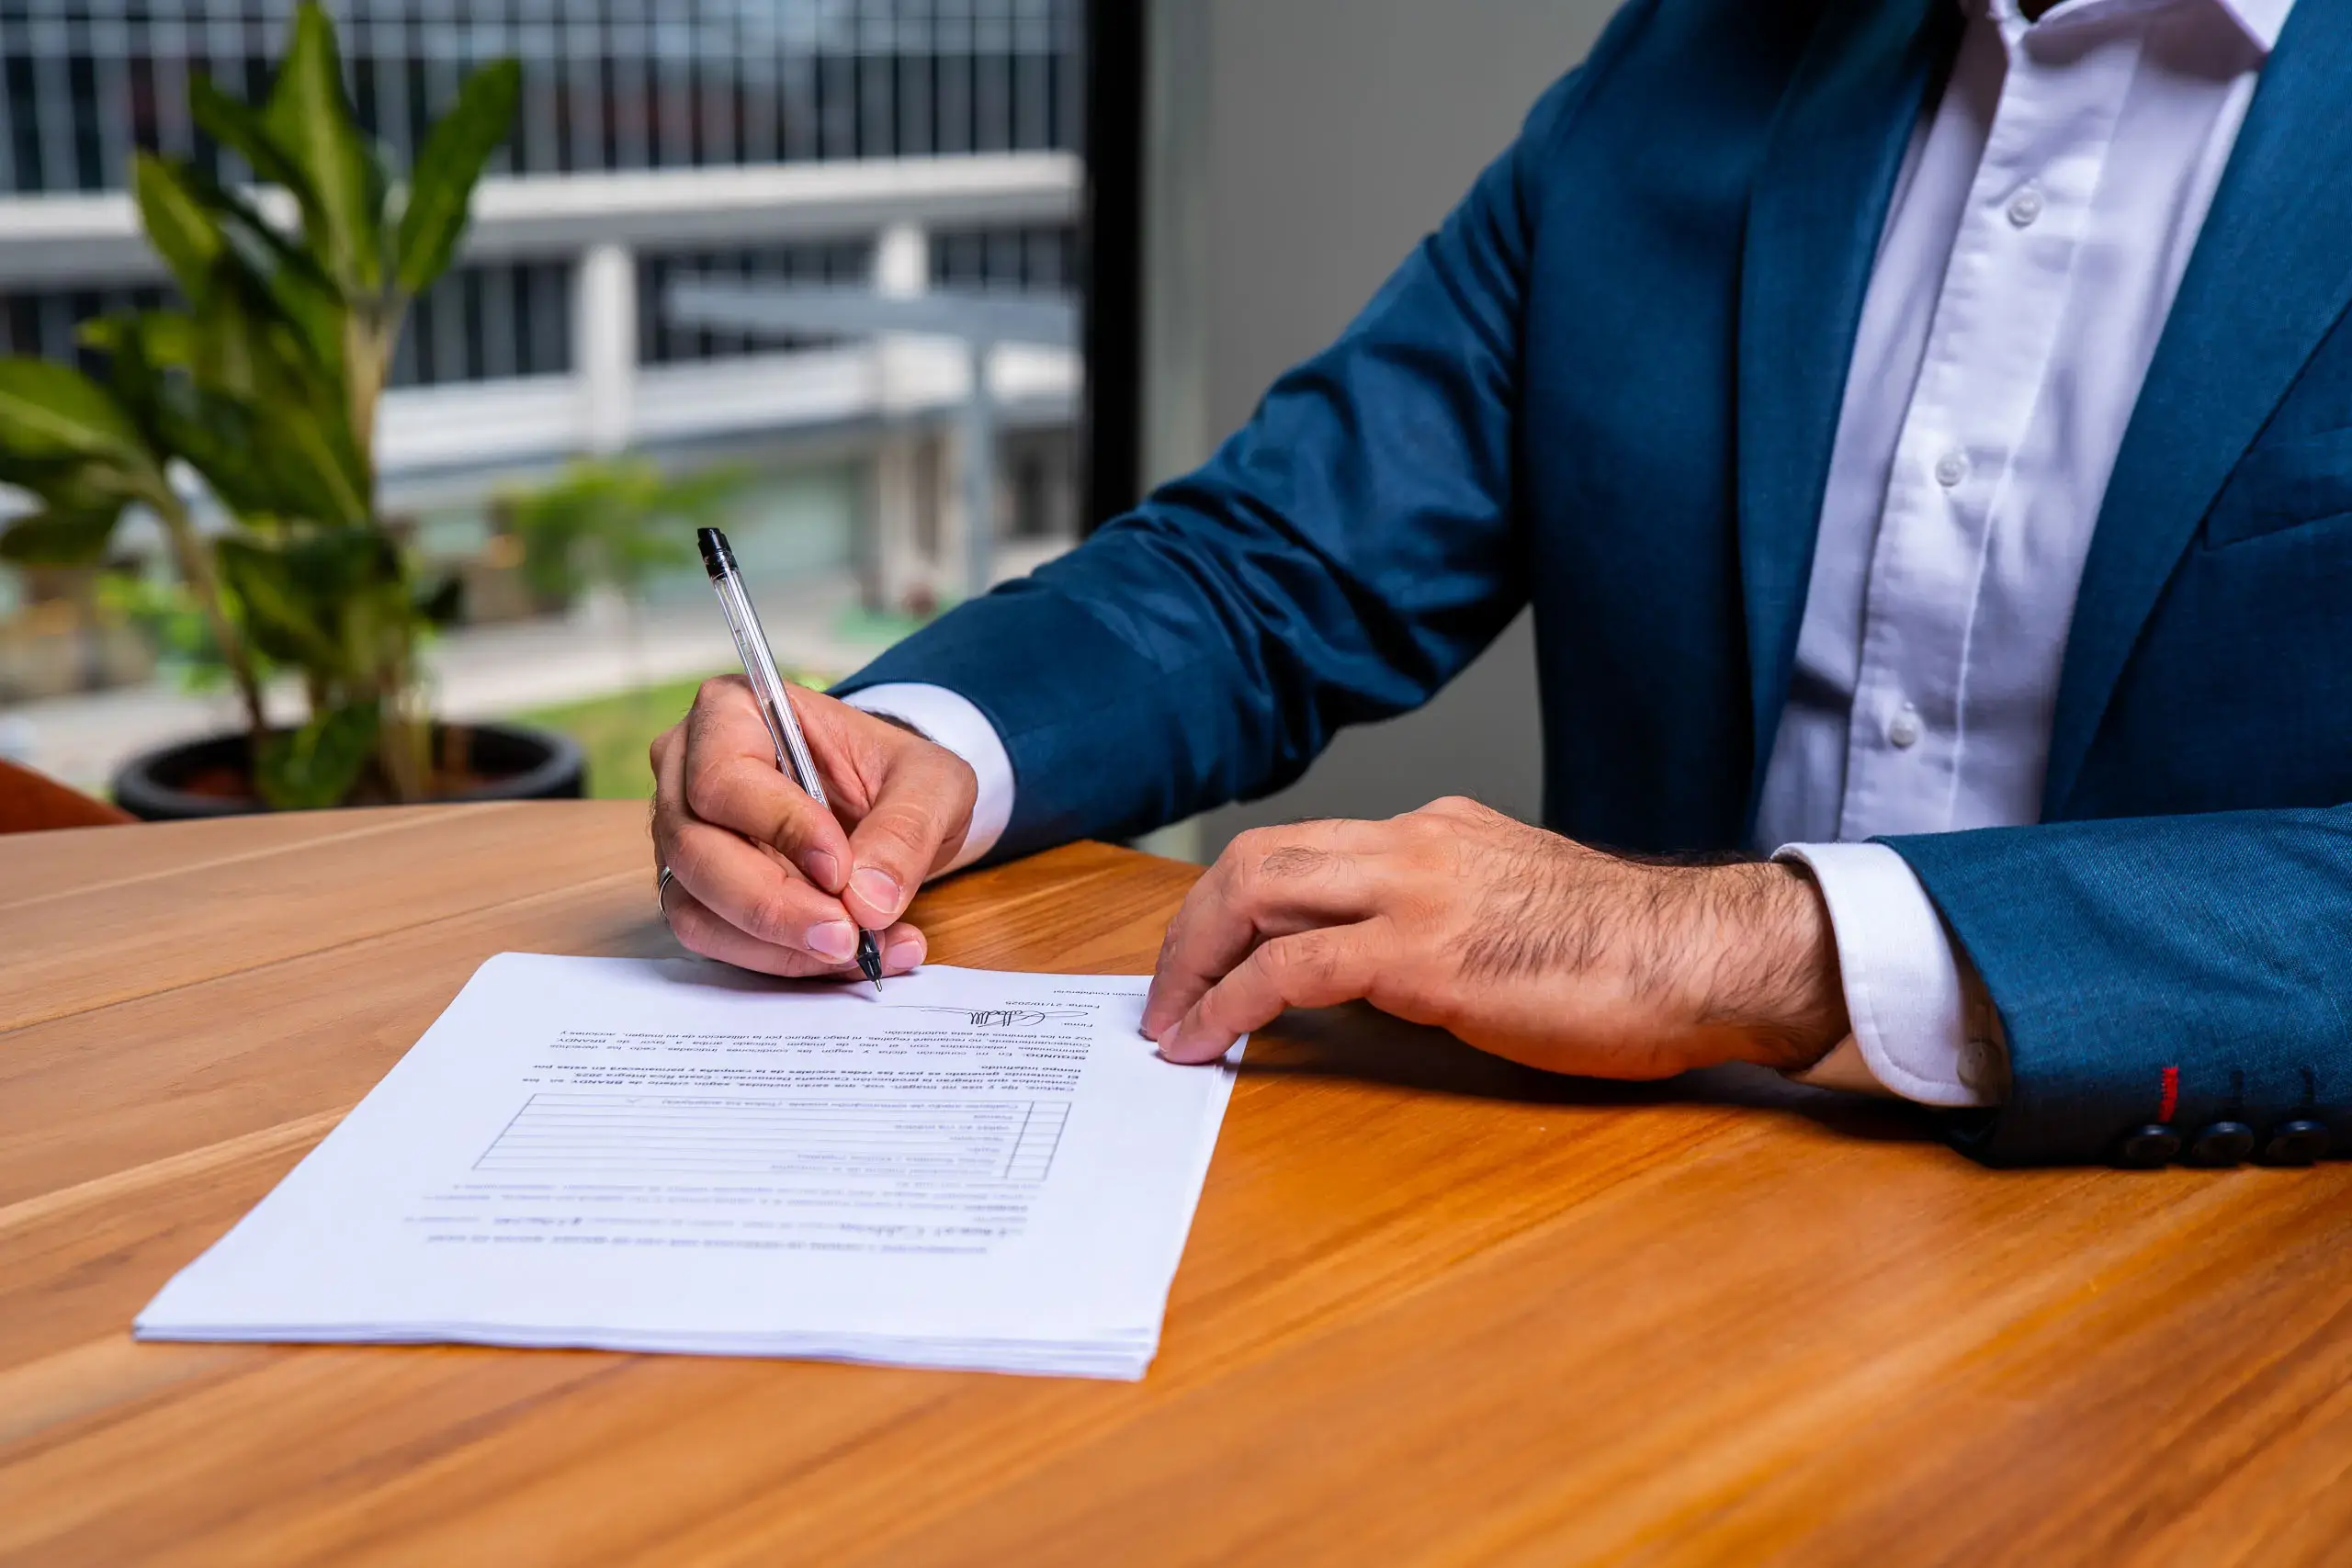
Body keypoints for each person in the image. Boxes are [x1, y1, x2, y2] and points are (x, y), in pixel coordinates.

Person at [651, 0, 2352, 1169]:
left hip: (2215, 1293)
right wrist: (913, 746)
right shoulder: (1691, 60)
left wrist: (1749, 947)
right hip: (1620, 1232)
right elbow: (1274, 557)